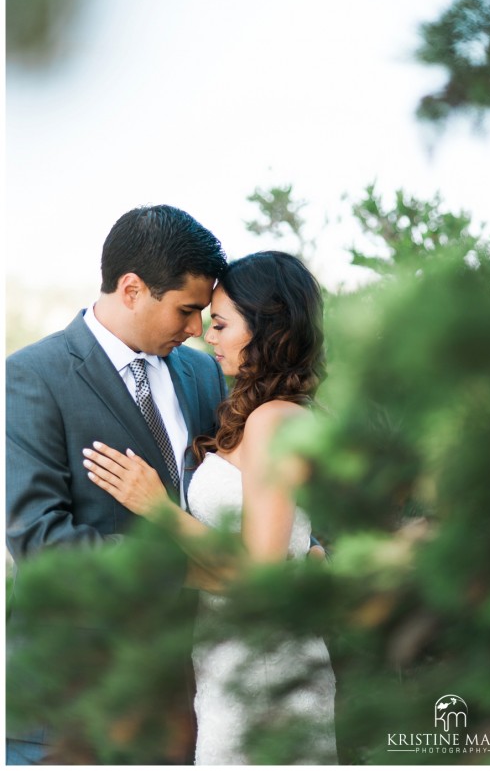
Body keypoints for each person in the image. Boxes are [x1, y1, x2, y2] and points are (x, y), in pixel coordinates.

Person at [81, 251, 338, 765]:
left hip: (267, 670)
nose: (206, 335)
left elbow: (261, 574)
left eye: (220, 323)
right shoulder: (260, 413)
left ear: (267, 328)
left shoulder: (274, 421)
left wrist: (157, 507)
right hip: (229, 662)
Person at [6, 204, 228, 764]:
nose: (197, 328)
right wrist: (178, 569)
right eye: (186, 310)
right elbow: (37, 540)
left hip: (186, 696)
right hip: (73, 703)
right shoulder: (32, 376)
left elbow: (249, 477)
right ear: (131, 289)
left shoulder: (203, 374)